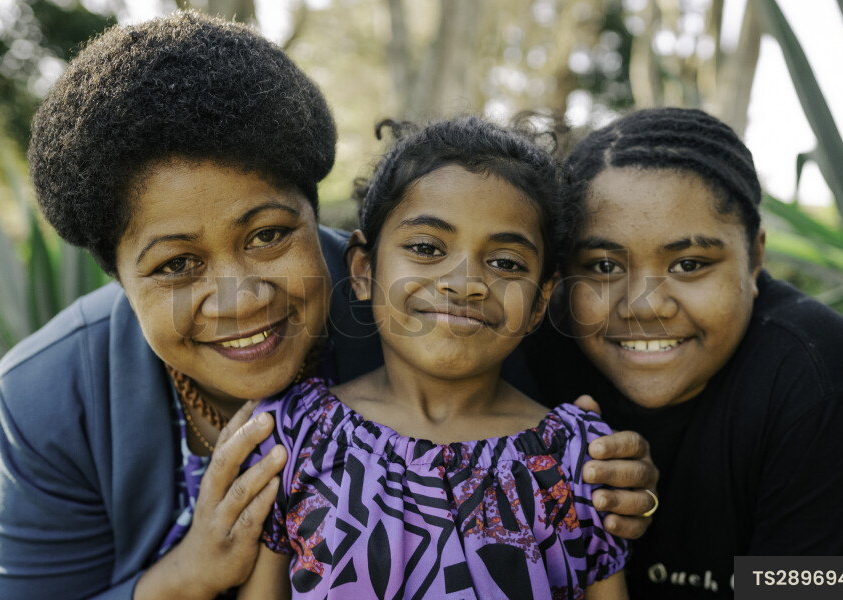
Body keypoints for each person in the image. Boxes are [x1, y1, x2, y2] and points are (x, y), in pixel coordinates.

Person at [0, 12, 655, 600]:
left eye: (269, 235)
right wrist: (187, 575)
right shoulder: (49, 394)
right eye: (177, 264)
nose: (241, 298)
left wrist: (624, 477)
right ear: (118, 277)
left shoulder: (421, 309)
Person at [237, 116, 629, 600]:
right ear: (363, 269)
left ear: (539, 303)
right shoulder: (293, 437)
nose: (464, 281)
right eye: (426, 248)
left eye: (506, 263)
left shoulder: (576, 459)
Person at [526, 107, 843, 599]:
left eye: (688, 264)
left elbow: (823, 585)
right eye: (602, 265)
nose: (644, 306)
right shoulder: (526, 354)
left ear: (755, 259)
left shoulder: (823, 380)